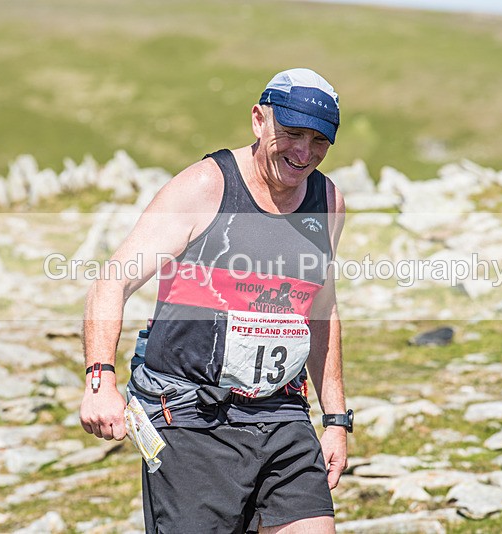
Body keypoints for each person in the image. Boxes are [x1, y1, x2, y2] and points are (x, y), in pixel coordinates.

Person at [79, 68, 351, 533]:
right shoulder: (206, 186)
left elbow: (321, 311)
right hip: (191, 418)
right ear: (258, 121)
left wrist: (336, 418)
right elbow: (113, 280)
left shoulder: (327, 200)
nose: (303, 152)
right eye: (291, 134)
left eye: (318, 140)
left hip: (281, 412)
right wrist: (100, 378)